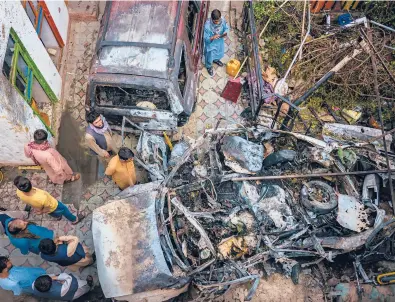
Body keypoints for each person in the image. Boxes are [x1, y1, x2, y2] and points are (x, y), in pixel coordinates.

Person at [14, 176, 84, 224]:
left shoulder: (19, 192)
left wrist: (39, 210)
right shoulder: (42, 198)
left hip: (41, 206)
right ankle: (74, 220)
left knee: (52, 213)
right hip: (53, 205)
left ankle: (58, 217)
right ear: (30, 183)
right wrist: (41, 211)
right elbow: (46, 208)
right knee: (64, 209)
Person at [203, 9, 229, 77]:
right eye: (215, 21)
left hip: (219, 42)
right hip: (211, 45)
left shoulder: (222, 20)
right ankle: (209, 66)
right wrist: (212, 37)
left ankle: (216, 60)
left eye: (218, 20)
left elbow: (226, 28)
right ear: (212, 19)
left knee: (219, 52)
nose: (217, 23)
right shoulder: (207, 26)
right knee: (210, 56)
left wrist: (225, 33)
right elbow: (205, 39)